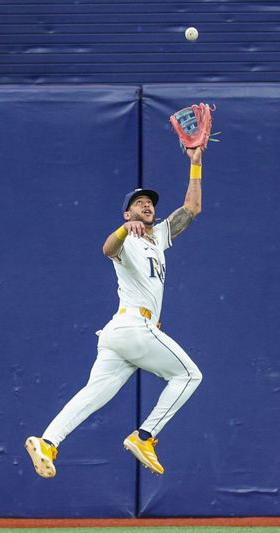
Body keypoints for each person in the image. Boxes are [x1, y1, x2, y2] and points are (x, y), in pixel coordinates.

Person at [25, 147, 206, 477]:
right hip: (134, 327)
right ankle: (145, 437)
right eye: (138, 203)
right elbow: (107, 249)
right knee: (189, 375)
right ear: (127, 214)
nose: (146, 205)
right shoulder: (127, 237)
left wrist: (195, 164)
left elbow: (192, 208)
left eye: (149, 202)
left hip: (121, 332)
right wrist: (124, 231)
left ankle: (48, 441)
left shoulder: (158, 235)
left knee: (93, 393)